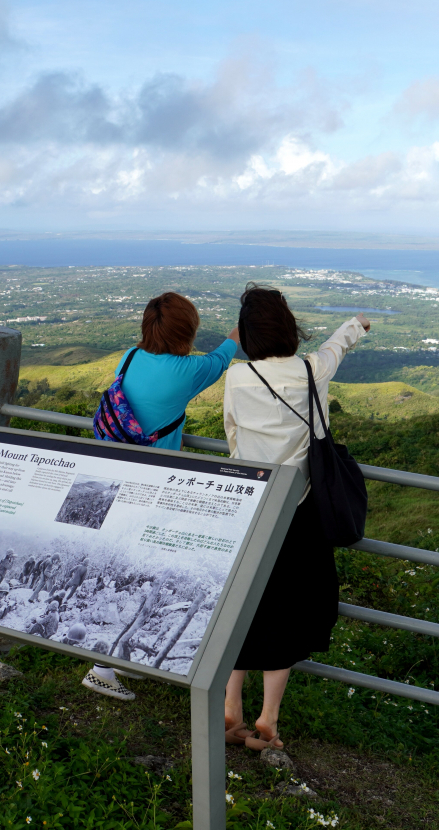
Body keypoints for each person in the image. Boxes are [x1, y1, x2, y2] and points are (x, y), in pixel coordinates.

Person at [221, 283, 370, 751]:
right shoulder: (310, 372)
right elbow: (334, 351)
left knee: (241, 606)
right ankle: (268, 718)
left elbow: (230, 435)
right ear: (290, 329)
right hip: (301, 512)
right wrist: (355, 325)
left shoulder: (238, 378)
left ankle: (229, 710)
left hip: (252, 507)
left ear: (247, 336)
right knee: (289, 609)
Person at [81, 290, 241, 702]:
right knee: (142, 571)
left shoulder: (129, 358)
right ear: (186, 332)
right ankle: (105, 666)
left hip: (118, 477)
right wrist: (239, 332)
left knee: (130, 568)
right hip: (154, 485)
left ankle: (117, 657)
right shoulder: (187, 372)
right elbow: (223, 358)